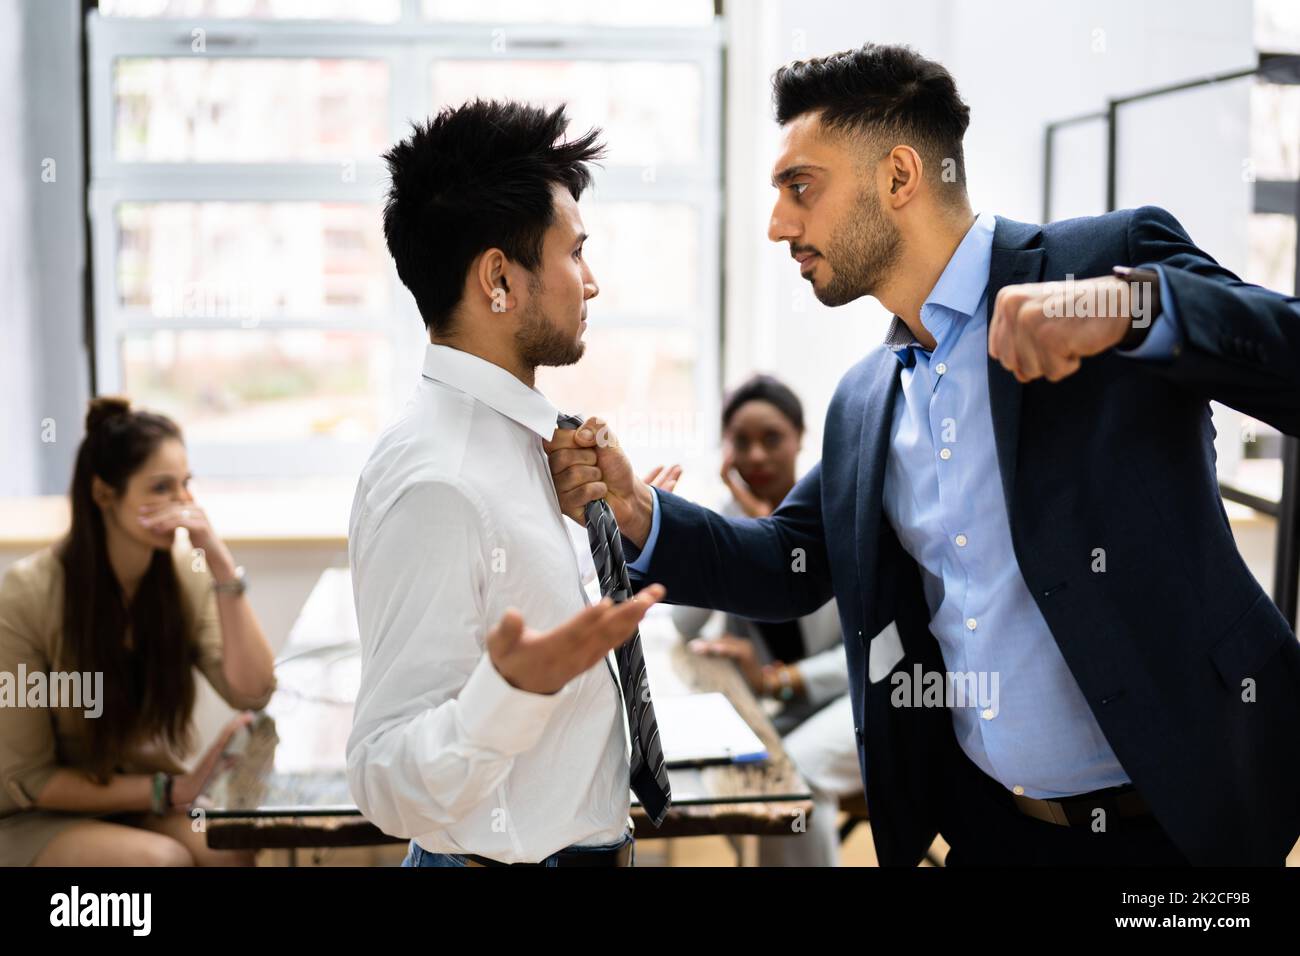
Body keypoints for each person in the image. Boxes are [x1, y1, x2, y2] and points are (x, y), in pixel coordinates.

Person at [547, 43, 1300, 866]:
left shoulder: (1105, 263)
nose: (777, 225)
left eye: (800, 188)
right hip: (993, 830)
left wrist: (1128, 305)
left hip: (1186, 827)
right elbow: (787, 564)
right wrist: (635, 509)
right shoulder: (865, 400)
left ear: (901, 177)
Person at [345, 100, 671, 868]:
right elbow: (382, 778)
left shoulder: (537, 447)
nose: (590, 283)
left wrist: (615, 540)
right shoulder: (439, 482)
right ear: (500, 278)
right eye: (575, 254)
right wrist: (511, 693)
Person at [0, 397, 276, 866]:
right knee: (161, 861)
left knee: (228, 851)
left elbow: (252, 691)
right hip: (35, 814)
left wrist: (222, 568)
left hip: (139, 799)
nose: (184, 504)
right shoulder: (23, 598)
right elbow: (29, 778)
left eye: (186, 485)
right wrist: (169, 789)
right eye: (161, 488)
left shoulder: (180, 579)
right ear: (105, 494)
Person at [673, 373, 866, 866]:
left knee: (792, 775)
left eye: (772, 438)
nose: (756, 455)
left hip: (865, 698)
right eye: (741, 441)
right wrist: (744, 524)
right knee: (749, 766)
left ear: (801, 438)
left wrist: (779, 679)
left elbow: (871, 651)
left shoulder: (838, 513)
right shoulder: (732, 518)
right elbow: (685, 625)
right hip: (790, 708)